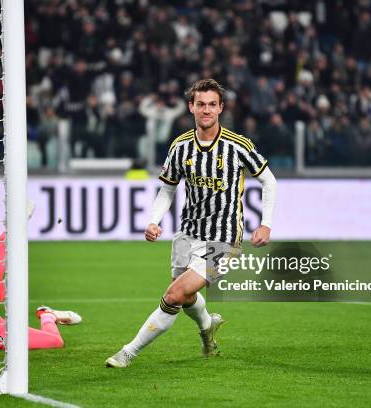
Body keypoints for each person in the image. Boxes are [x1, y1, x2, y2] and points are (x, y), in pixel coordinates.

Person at [105, 79, 277, 368]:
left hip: (224, 241)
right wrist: (153, 220)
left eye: (212, 104)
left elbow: (268, 181)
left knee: (174, 294)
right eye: (201, 104)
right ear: (191, 107)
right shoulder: (181, 146)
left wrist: (265, 223)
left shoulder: (238, 146)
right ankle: (208, 325)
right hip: (187, 234)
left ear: (221, 108)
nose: (206, 110)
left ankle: (128, 352)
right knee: (185, 296)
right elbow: (168, 188)